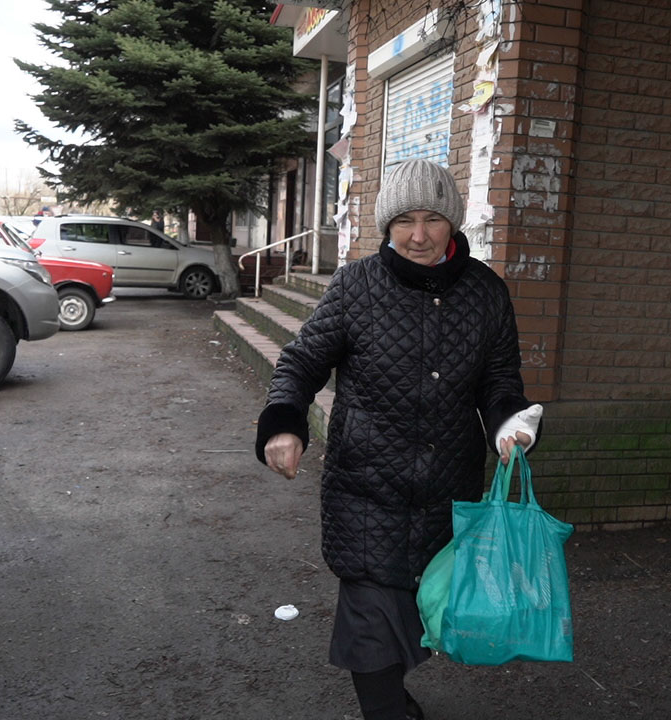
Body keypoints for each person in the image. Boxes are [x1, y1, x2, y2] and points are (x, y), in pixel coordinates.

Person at [255, 158, 543, 720]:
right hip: (366, 487)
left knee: (421, 609)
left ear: (452, 223)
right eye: (404, 220)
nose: (418, 235)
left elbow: (501, 381)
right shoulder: (355, 286)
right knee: (369, 616)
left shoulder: (486, 293)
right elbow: (301, 361)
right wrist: (284, 422)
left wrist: (513, 424)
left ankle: (392, 689)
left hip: (446, 488)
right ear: (386, 224)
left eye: (432, 219)